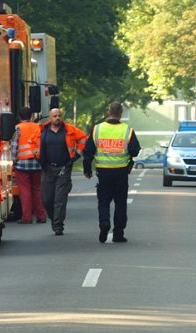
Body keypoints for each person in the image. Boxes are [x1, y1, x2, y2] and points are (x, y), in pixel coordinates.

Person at [83, 101, 141, 243]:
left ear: (109, 112)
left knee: (103, 201)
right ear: (121, 114)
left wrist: (87, 170)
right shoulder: (127, 130)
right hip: (121, 172)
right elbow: (135, 150)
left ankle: (104, 223)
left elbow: (88, 152)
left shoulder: (97, 129)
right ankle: (118, 234)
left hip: (103, 173)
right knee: (120, 203)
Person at [38, 107, 87, 235]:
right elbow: (32, 144)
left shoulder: (69, 130)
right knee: (46, 199)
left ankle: (58, 225)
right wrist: (39, 159)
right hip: (47, 168)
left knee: (60, 199)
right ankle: (54, 218)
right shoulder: (42, 131)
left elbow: (83, 139)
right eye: (54, 116)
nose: (57, 118)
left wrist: (76, 155)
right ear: (50, 118)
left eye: (59, 115)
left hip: (64, 168)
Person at [11, 107, 48, 224]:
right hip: (37, 163)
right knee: (37, 190)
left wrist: (13, 160)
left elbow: (14, 145)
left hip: (22, 164)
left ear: (19, 116)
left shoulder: (18, 128)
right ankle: (41, 216)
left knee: (25, 190)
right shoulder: (38, 127)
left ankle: (27, 217)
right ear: (31, 116)